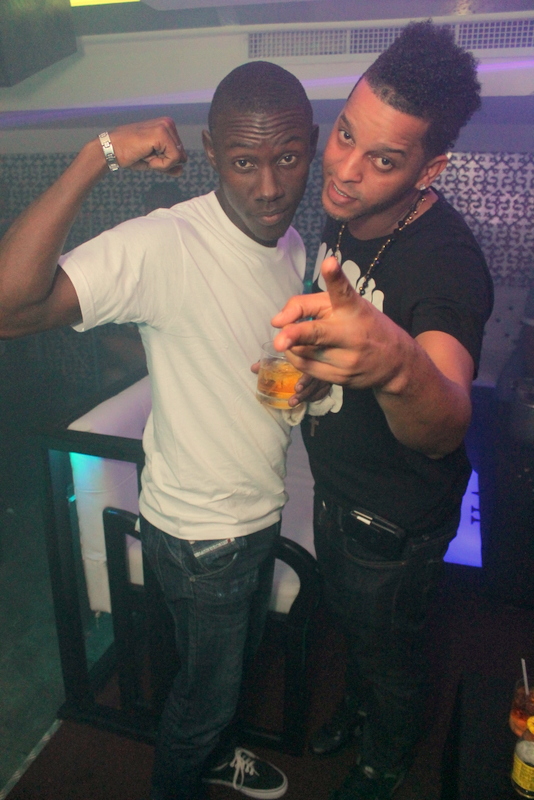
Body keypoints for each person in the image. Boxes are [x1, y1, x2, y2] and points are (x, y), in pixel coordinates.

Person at [0, 61, 320, 800]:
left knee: (220, 676)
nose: (269, 188)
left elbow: (254, 369)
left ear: (310, 143)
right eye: (243, 162)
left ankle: (219, 751)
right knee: (202, 702)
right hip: (207, 536)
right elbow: (9, 307)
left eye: (286, 158)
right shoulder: (165, 243)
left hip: (243, 513)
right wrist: (100, 152)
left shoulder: (292, 245)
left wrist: (306, 383)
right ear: (210, 152)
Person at [271, 21, 494, 800]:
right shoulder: (346, 211)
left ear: (429, 169)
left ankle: (385, 758)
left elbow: (447, 419)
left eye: (384, 160)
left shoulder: (448, 264)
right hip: (338, 491)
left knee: (390, 650)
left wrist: (397, 365)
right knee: (355, 630)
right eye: (345, 135)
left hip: (394, 522)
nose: (344, 170)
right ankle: (360, 709)